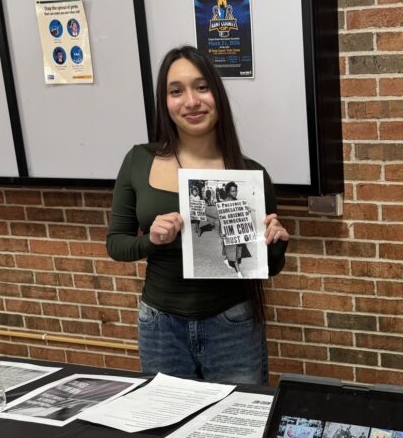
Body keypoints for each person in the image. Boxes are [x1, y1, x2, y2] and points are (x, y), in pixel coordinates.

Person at [107, 45, 289, 384]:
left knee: (236, 427)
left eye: (201, 87)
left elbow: (269, 265)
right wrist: (152, 240)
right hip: (160, 326)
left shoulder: (250, 175)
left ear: (217, 94)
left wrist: (276, 243)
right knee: (166, 430)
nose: (191, 101)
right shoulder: (138, 161)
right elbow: (116, 245)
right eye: (176, 91)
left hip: (231, 323)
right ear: (165, 103)